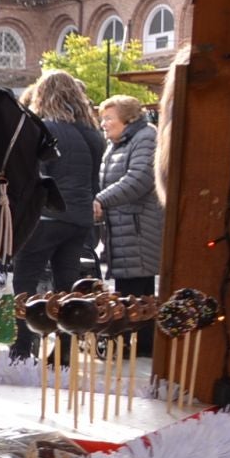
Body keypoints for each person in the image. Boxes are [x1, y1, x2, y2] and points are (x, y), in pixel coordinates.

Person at [9, 71, 104, 358]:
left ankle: (22, 349)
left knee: (24, 283)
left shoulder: (43, 129)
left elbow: (34, 178)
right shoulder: (92, 133)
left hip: (46, 219)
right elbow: (93, 182)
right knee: (67, 286)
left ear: (43, 94)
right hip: (79, 220)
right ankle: (64, 352)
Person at [94, 95, 162, 322]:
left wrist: (101, 200)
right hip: (124, 230)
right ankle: (135, 342)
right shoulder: (117, 143)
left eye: (108, 118)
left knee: (137, 293)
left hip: (138, 228)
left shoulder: (145, 137)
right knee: (130, 292)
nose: (103, 123)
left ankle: (141, 343)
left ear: (127, 118)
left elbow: (140, 178)